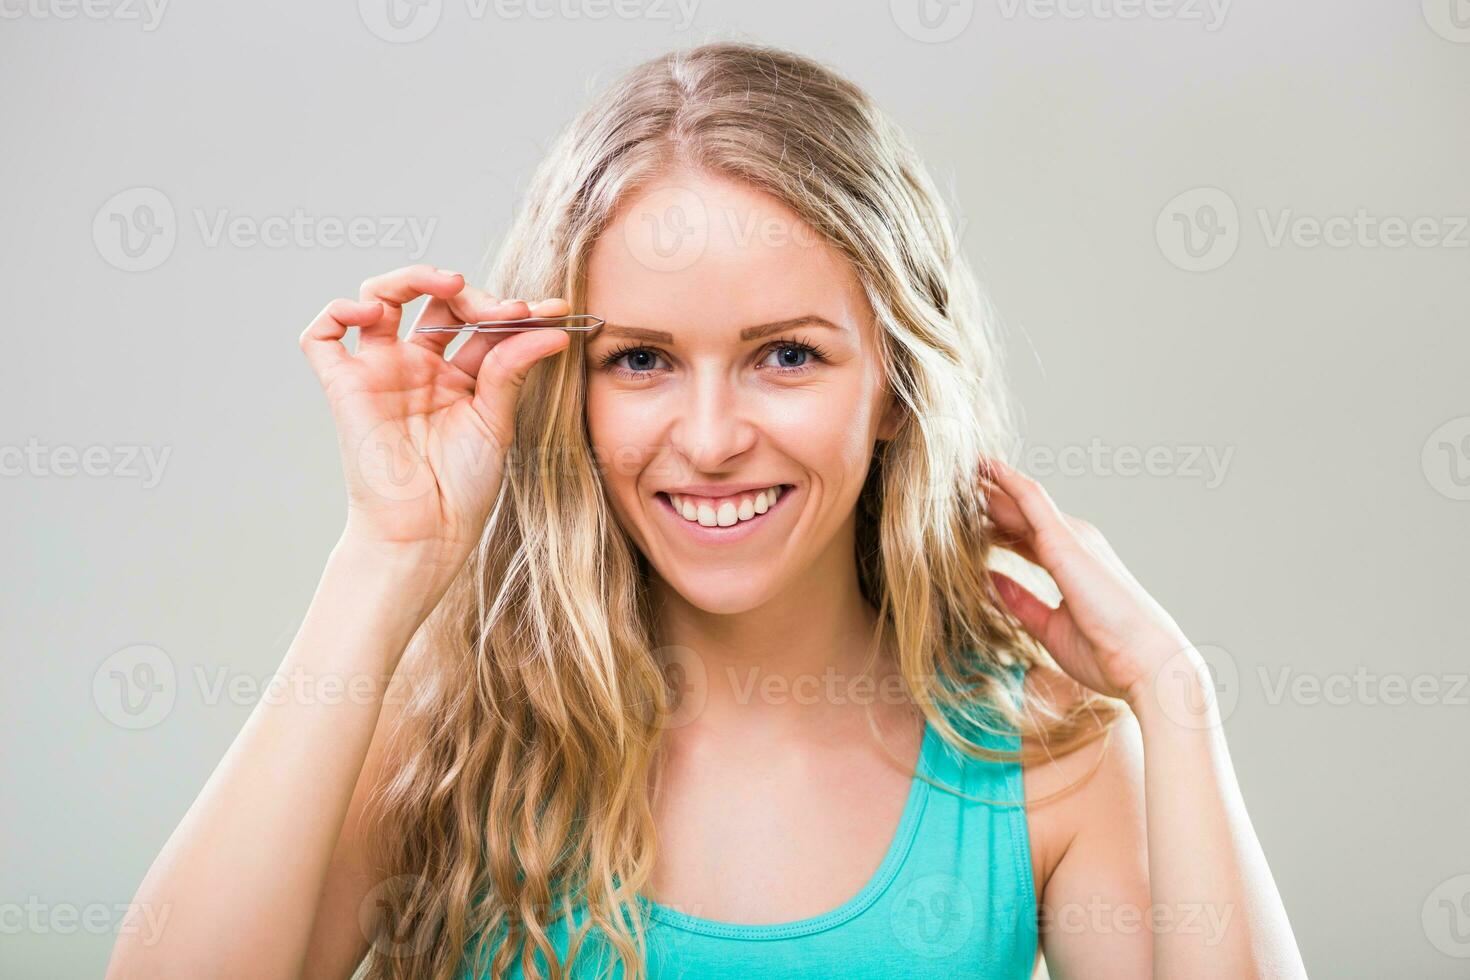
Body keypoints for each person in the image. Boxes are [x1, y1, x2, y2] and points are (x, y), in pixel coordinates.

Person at [107, 40, 1306, 980]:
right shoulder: (449, 725)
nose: (713, 436)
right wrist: (386, 554)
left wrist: (1172, 689)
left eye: (786, 355)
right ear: (563, 384)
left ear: (895, 385)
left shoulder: (1044, 752)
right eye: (639, 360)